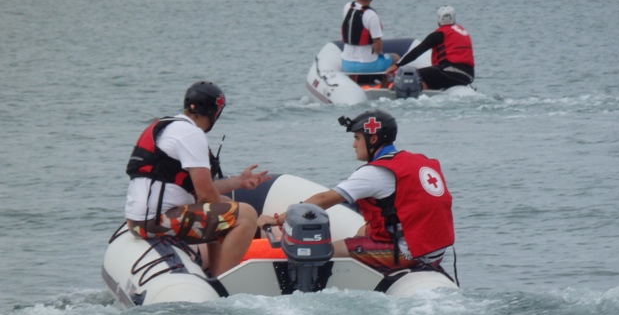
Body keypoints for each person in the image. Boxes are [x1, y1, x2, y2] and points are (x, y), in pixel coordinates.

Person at [258, 110, 454, 274]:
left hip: (408, 253)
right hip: (434, 251)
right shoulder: (417, 161)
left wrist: (276, 220)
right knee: (363, 231)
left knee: (329, 250)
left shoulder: (375, 173)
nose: (354, 144)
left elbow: (324, 199)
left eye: (357, 138)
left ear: (373, 138)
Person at [125, 81, 269, 277]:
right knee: (245, 215)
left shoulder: (168, 126)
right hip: (154, 222)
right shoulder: (191, 134)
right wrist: (239, 217)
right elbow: (206, 195)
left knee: (224, 207)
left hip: (137, 220)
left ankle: (215, 272)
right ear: (215, 112)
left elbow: (200, 190)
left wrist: (239, 181)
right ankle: (223, 282)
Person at [389, 5, 474, 90]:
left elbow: (417, 51)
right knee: (432, 74)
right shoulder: (463, 32)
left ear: (439, 20)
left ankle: (422, 96)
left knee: (415, 74)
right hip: (468, 76)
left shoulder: (438, 34)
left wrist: (397, 65)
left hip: (450, 72)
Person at [341, 0, 399, 82]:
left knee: (357, 62)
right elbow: (377, 44)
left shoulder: (347, 7)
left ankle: (354, 84)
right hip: (366, 65)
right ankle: (385, 86)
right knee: (395, 58)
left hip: (346, 64)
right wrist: (380, 54)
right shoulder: (371, 15)